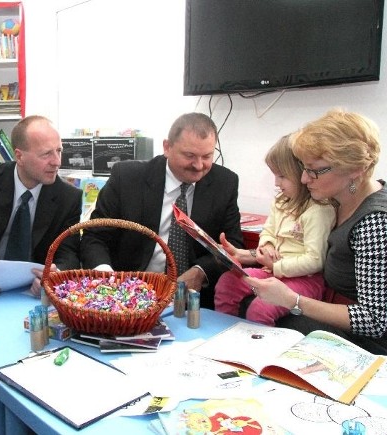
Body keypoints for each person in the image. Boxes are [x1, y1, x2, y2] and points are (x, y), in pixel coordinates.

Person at [231, 109, 387, 354]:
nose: (304, 178)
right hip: (334, 312)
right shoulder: (338, 201)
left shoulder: (374, 222)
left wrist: (293, 301)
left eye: (314, 169)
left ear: (354, 168)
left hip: (368, 345)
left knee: (272, 320)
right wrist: (252, 254)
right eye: (304, 168)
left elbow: (374, 321)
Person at [80, 113, 244, 309]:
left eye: (207, 156)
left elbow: (232, 245)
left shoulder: (224, 183)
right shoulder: (127, 178)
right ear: (167, 147)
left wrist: (201, 271)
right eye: (189, 155)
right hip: (126, 296)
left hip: (194, 301)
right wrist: (107, 276)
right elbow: (94, 237)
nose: (199, 166)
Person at [0, 115, 82, 297]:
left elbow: (68, 252)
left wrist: (54, 275)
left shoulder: (69, 197)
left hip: (32, 292)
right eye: (46, 154)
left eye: (59, 151)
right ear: (19, 156)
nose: (57, 161)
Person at [213, 135, 336, 325]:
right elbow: (268, 231)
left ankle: (262, 349)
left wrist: (276, 267)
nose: (276, 183)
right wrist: (267, 245)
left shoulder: (318, 210)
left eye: (282, 176)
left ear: (301, 173)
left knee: (260, 308)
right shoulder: (281, 202)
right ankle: (224, 331)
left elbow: (315, 260)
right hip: (272, 271)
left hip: (305, 280)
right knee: (228, 283)